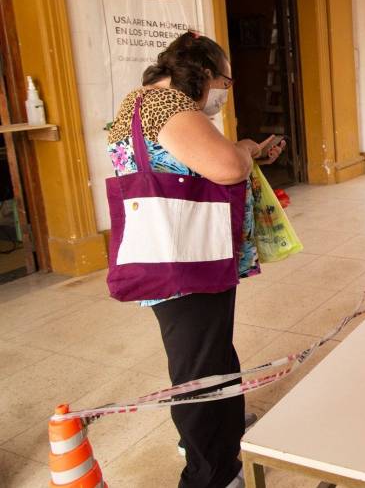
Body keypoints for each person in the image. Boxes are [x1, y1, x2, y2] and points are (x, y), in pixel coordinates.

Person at [106, 31, 285, 488]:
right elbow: (228, 168)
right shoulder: (168, 105)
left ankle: (224, 430)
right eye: (225, 82)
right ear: (204, 73)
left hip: (181, 251)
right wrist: (246, 148)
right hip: (184, 257)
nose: (224, 92)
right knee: (198, 368)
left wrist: (245, 151)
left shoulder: (142, 102)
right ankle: (209, 472)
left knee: (210, 350)